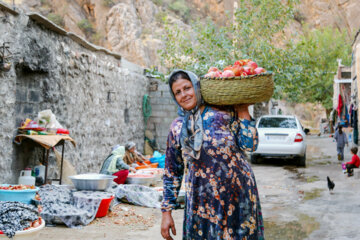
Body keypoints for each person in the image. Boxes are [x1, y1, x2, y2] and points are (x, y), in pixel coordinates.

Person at [160, 70, 264, 240]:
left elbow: (250, 145)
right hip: (201, 202)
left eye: (187, 88)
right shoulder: (177, 128)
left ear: (196, 86)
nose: (184, 95)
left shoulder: (223, 113)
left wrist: (243, 109)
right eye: (177, 92)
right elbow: (172, 172)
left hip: (238, 197)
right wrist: (166, 212)